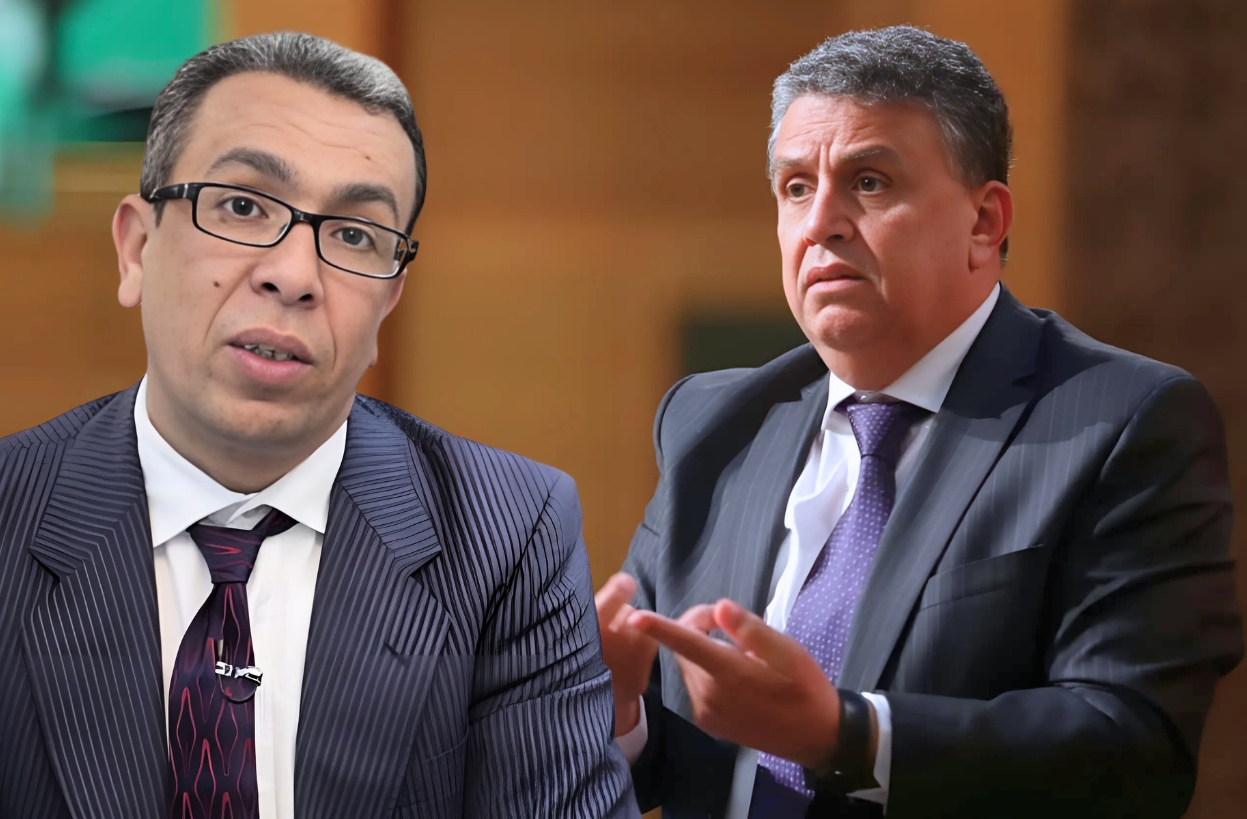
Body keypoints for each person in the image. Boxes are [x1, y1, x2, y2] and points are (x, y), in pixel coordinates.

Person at [597, 25, 1242, 819]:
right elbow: (663, 751)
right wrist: (616, 710)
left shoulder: (1121, 423)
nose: (821, 221)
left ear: (983, 222)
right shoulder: (712, 422)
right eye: (795, 187)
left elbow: (1133, 748)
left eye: (867, 182)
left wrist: (846, 736)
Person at [0, 32, 637, 819]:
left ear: (387, 305)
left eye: (354, 235)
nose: (295, 275)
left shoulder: (506, 535)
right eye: (241, 205)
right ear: (135, 249)